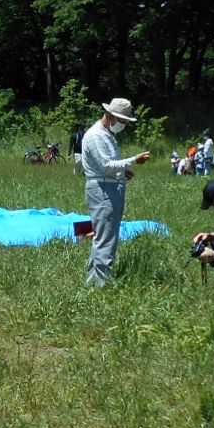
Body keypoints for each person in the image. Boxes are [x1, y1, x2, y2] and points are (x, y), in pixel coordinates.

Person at [79, 97, 152, 288]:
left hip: (109, 186)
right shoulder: (96, 135)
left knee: (105, 236)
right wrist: (134, 160)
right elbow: (106, 166)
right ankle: (100, 286)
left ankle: (94, 282)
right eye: (123, 121)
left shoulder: (107, 134)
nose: (124, 125)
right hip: (103, 191)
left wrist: (122, 172)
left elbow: (108, 166)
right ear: (111, 116)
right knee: (106, 239)